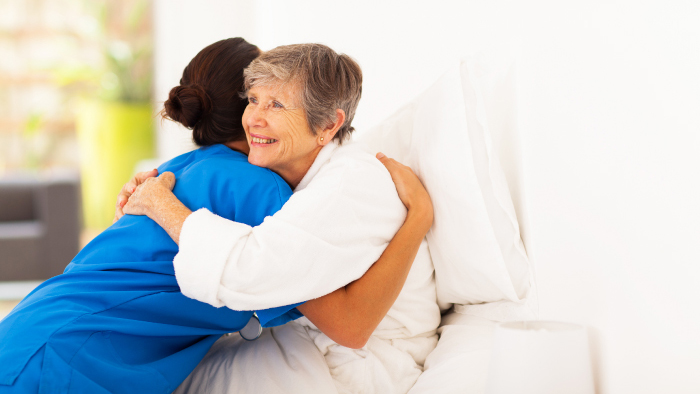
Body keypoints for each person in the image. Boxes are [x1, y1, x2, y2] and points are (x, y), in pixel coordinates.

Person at [119, 43, 440, 394]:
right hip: (313, 342)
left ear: (329, 124)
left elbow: (249, 271)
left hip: (362, 364)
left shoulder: (348, 184)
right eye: (253, 99)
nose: (254, 118)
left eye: (276, 104)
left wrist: (160, 204)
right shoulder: (289, 176)